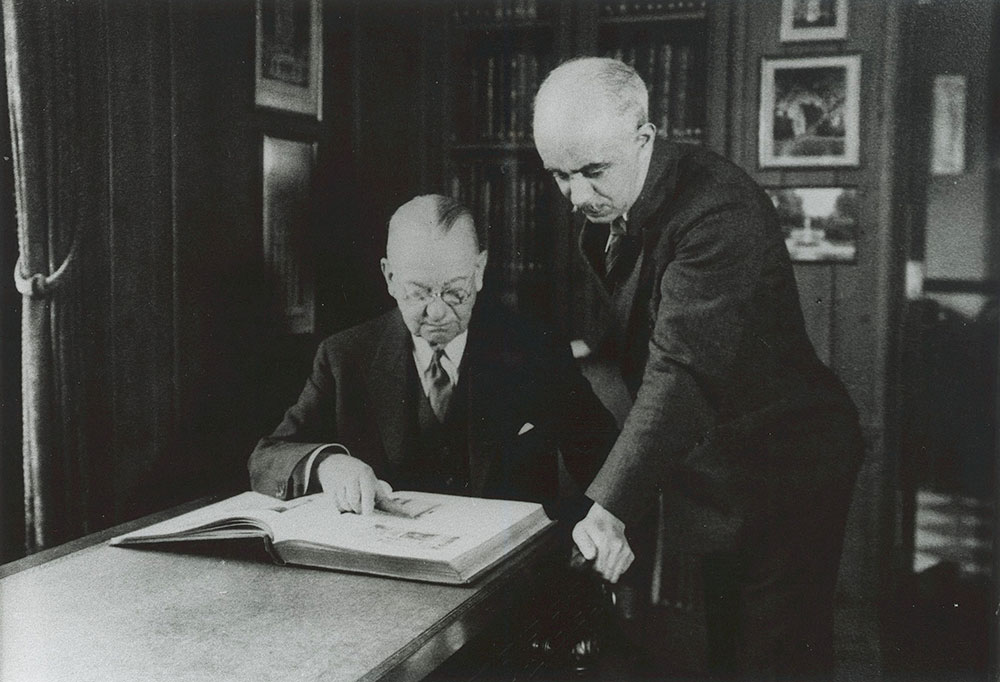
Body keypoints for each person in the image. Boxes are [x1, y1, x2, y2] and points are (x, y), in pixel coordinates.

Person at [532, 57, 865, 677]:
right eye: (559, 175)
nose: (576, 196)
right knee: (730, 653)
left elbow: (681, 371)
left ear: (644, 136)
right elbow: (650, 327)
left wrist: (608, 507)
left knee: (771, 661)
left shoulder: (719, 213)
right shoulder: (615, 200)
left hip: (787, 466)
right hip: (720, 461)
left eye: (592, 172)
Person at [249, 194, 618, 527]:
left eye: (455, 291)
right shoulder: (345, 356)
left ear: (479, 272)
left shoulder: (537, 350)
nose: (438, 311)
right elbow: (268, 457)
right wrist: (329, 465)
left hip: (504, 575)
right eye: (419, 292)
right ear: (390, 278)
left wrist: (593, 528)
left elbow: (607, 460)